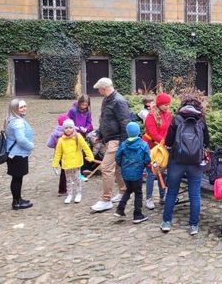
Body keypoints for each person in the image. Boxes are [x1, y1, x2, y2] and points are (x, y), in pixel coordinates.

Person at [161, 95, 209, 235]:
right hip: (195, 162)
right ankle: (194, 226)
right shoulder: (201, 120)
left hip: (177, 161)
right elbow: (207, 142)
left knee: (172, 192)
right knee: (194, 194)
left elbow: (168, 142)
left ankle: (166, 222)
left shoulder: (176, 119)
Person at [90, 77, 132, 213]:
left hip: (117, 140)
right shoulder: (107, 99)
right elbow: (105, 121)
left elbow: (125, 123)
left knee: (106, 168)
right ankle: (123, 191)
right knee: (117, 168)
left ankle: (105, 200)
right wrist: (99, 134)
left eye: (99, 89)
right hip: (109, 139)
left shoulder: (119, 101)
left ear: (104, 88)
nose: (99, 92)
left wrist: (124, 145)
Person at [114, 122, 151, 223]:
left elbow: (117, 157)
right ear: (138, 132)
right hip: (137, 173)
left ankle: (120, 209)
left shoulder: (123, 144)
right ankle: (137, 214)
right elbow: (148, 159)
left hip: (126, 173)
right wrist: (142, 165)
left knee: (129, 189)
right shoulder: (143, 144)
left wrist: (123, 166)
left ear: (127, 132)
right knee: (138, 192)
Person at [52, 119, 94, 204]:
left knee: (77, 179)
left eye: (70, 127)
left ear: (73, 128)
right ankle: (69, 194)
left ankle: (78, 193)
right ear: (63, 129)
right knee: (68, 181)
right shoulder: (61, 140)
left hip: (76, 162)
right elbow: (58, 153)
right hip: (66, 163)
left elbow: (85, 147)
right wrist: (55, 164)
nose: (68, 129)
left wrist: (90, 157)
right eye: (66, 128)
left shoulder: (78, 137)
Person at [143, 92, 171, 210]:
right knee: (152, 172)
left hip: (162, 147)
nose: (167, 107)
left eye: (168, 104)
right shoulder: (151, 116)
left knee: (162, 172)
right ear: (159, 104)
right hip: (152, 147)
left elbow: (169, 129)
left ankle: (162, 196)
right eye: (165, 105)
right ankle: (149, 198)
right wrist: (164, 142)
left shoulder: (168, 114)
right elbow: (153, 133)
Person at [4, 99, 34, 210]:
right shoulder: (17, 122)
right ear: (14, 109)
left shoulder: (11, 118)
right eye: (21, 107)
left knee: (17, 178)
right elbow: (21, 139)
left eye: (24, 106)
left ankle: (18, 199)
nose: (24, 108)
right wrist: (31, 146)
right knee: (17, 178)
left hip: (15, 153)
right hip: (17, 154)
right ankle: (16, 202)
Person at [47, 114, 69, 196]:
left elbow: (49, 144)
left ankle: (65, 188)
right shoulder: (68, 132)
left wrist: (55, 146)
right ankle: (62, 190)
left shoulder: (54, 133)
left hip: (58, 155)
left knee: (64, 171)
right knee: (65, 172)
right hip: (67, 154)